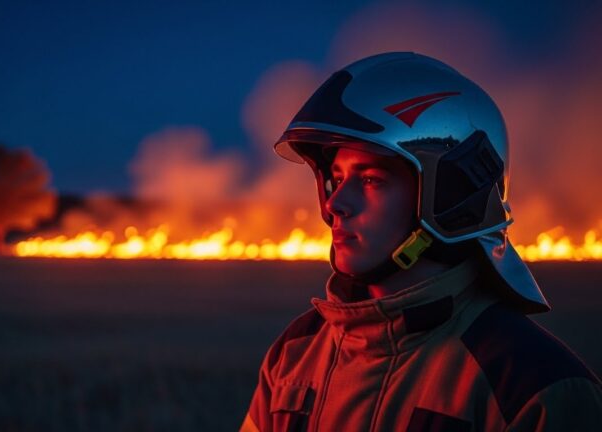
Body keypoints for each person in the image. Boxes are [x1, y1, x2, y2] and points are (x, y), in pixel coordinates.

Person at [240, 52, 602, 431]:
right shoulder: (296, 353)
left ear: (448, 195)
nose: (335, 203)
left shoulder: (533, 387)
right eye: (337, 176)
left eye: (370, 180)